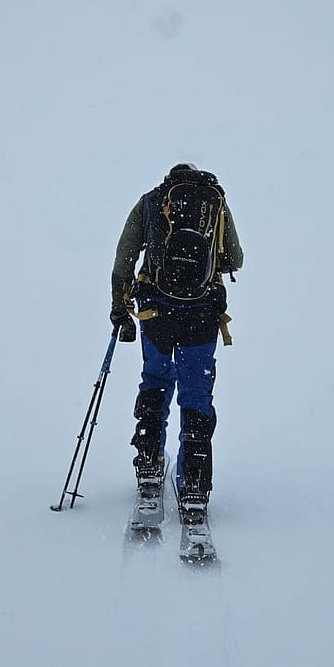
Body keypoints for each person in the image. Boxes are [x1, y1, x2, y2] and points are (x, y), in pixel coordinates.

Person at [110, 164, 244, 530]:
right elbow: (235, 259)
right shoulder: (214, 203)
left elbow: (124, 258)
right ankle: (194, 485)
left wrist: (119, 308)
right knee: (196, 394)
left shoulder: (151, 201)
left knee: (155, 380)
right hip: (202, 315)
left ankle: (150, 468)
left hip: (156, 313)